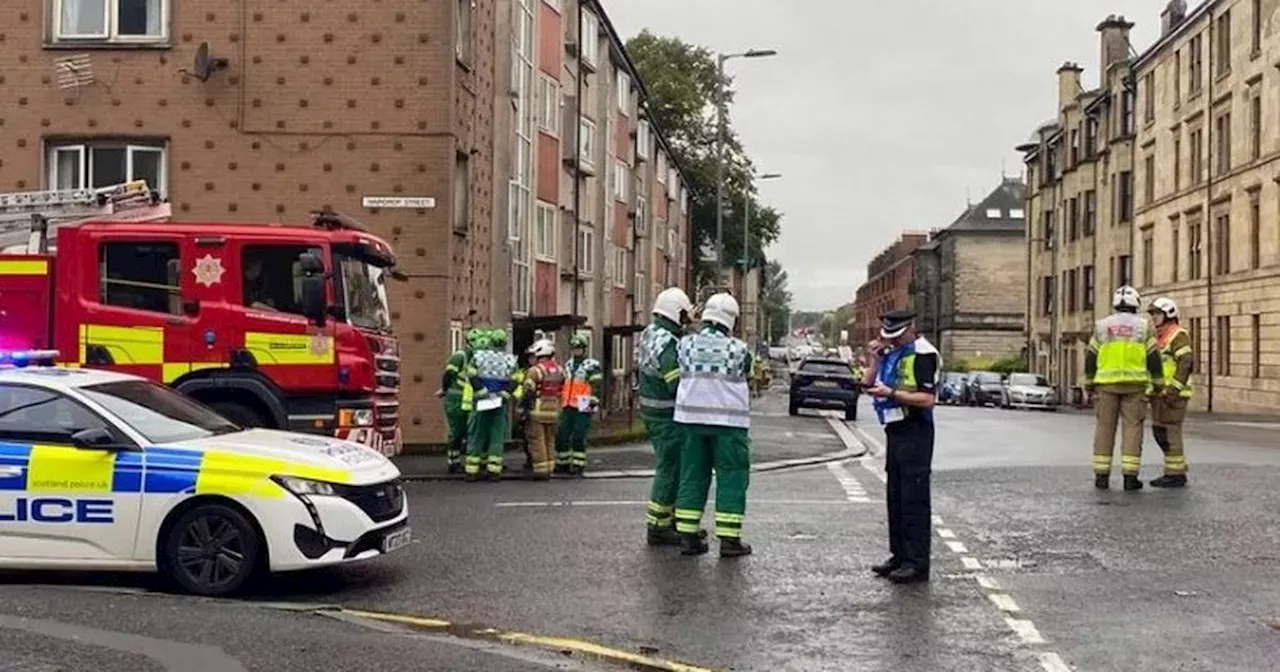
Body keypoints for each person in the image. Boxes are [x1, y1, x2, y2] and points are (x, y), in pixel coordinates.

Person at [672, 293, 754, 558]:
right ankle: (729, 540)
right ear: (731, 320)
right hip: (729, 424)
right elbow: (748, 372)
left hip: (690, 422)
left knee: (692, 476)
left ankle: (687, 537)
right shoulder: (739, 349)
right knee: (732, 477)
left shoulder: (684, 345)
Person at [862, 309, 940, 584]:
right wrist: (874, 358)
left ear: (910, 328)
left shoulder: (923, 354)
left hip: (916, 430)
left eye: (896, 335)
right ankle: (899, 555)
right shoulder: (891, 352)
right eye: (888, 335)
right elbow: (867, 382)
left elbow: (928, 398)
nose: (891, 340)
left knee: (914, 497)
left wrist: (892, 394)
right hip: (894, 429)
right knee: (895, 495)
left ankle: (916, 563)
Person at [1085, 286, 1165, 491]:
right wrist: (1158, 383)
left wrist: (1089, 381)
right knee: (1133, 430)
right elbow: (1153, 357)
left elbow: (1091, 356)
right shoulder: (1143, 327)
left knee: (1104, 429)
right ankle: (1130, 477)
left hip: (1106, 385)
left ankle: (1101, 476)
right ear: (1136, 304)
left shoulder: (1102, 326)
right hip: (1135, 386)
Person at [636, 287, 696, 546]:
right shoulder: (668, 344)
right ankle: (659, 525)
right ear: (674, 313)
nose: (687, 320)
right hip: (666, 413)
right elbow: (676, 384)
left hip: (653, 410)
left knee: (674, 465)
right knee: (670, 467)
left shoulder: (651, 333)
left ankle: (669, 519)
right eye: (684, 315)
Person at [1146, 297, 1193, 488]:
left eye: (1157, 314)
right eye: (1152, 315)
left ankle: (1175, 474)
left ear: (1168, 314)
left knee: (1170, 433)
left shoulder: (1178, 334)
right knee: (1160, 433)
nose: (1154, 318)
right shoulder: (1158, 336)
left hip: (1173, 395)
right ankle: (1174, 470)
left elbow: (1186, 362)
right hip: (1159, 394)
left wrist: (1174, 388)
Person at [465, 329, 517, 482]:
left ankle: (472, 471)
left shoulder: (478, 356)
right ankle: (494, 470)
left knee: (477, 433)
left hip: (482, 400)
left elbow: (471, 374)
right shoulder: (510, 359)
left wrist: (481, 391)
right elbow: (516, 379)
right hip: (499, 402)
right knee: (496, 435)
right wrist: (504, 394)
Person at [556, 333, 602, 476]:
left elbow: (597, 385)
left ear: (583, 349)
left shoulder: (591, 365)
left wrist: (593, 402)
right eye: (574, 348)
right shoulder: (568, 364)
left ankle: (578, 464)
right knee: (562, 434)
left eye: (578, 348)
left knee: (578, 435)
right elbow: (563, 383)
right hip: (568, 405)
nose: (576, 351)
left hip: (583, 405)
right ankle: (562, 463)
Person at [437, 328, 482, 474]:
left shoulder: (479, 358)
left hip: (470, 401)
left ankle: (470, 461)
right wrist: (444, 389)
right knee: (457, 432)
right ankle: (453, 461)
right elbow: (449, 374)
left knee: (471, 432)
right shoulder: (460, 356)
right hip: (456, 400)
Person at [522, 339, 563, 480]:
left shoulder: (535, 370)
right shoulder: (559, 369)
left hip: (538, 411)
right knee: (550, 440)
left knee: (537, 441)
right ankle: (550, 468)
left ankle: (540, 471)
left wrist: (523, 409)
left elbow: (528, 391)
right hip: (554, 411)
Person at [511, 345, 538, 474]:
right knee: (525, 434)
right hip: (523, 404)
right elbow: (518, 387)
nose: (531, 360)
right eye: (530, 358)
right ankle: (529, 459)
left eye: (534, 357)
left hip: (535, 405)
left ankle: (534, 460)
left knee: (534, 435)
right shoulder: (523, 372)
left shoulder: (539, 372)